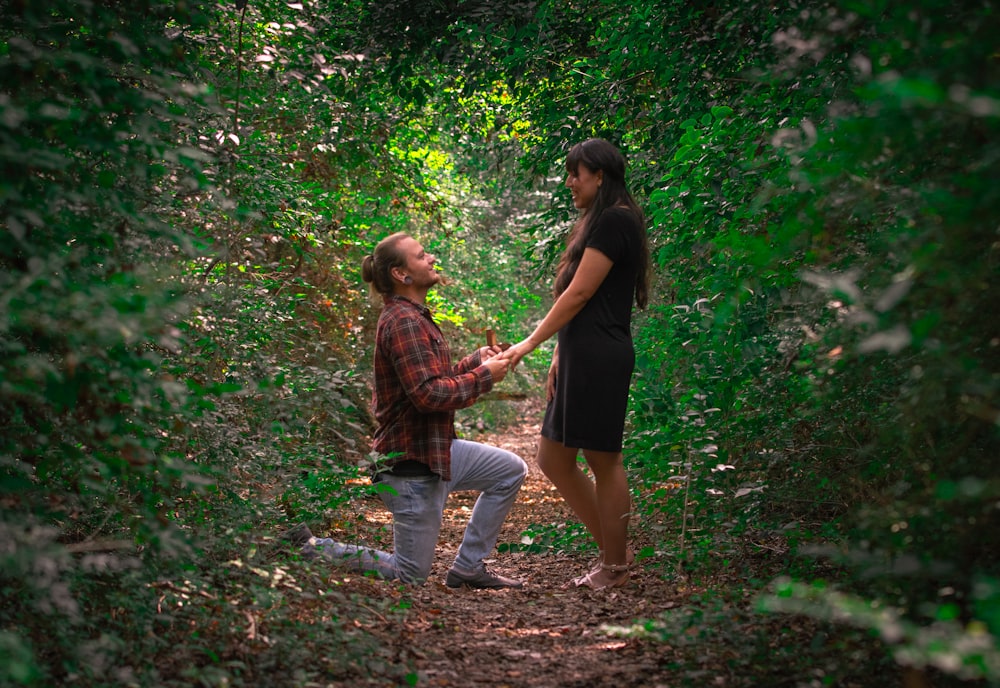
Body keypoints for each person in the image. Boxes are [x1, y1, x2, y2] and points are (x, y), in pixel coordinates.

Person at [287, 232, 528, 589]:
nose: (431, 258)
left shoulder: (414, 316)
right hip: (410, 466)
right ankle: (308, 547)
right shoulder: (403, 321)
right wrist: (482, 377)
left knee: (509, 470)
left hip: (435, 451)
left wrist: (476, 362)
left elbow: (431, 380)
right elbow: (428, 396)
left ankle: (468, 567)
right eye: (421, 255)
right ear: (402, 274)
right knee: (410, 573)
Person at [501, 138, 651, 590]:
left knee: (604, 461)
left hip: (602, 357)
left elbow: (582, 294)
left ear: (600, 175)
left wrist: (529, 343)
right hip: (582, 354)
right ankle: (615, 552)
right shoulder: (598, 222)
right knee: (553, 457)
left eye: (576, 174)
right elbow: (586, 301)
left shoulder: (614, 221)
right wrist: (560, 353)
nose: (570, 182)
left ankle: (615, 567)